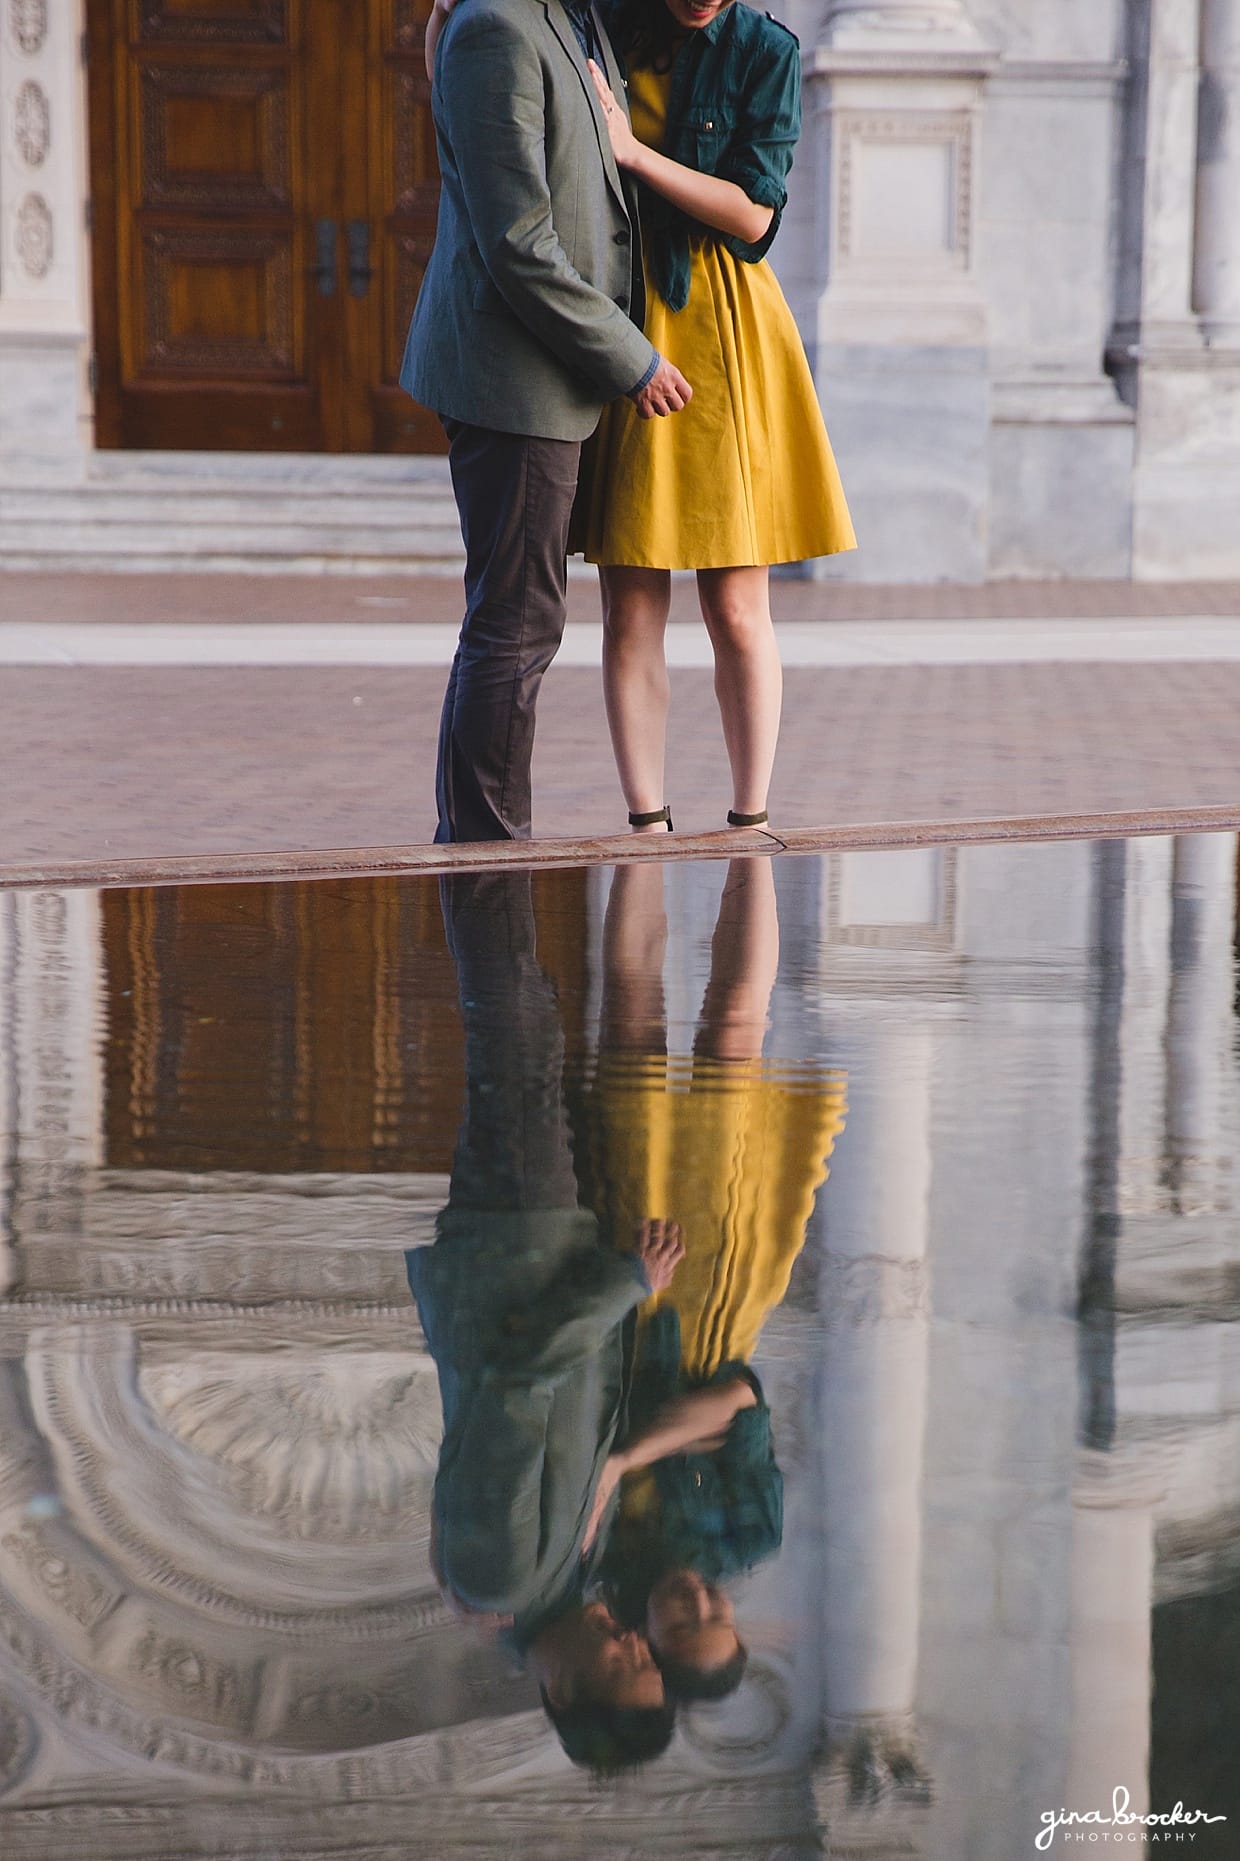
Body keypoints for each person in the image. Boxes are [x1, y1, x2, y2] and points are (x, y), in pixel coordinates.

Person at [407, 870, 683, 1769]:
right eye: (651, 1657)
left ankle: (484, 823)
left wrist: (626, 1283)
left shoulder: (501, 1578)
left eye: (625, 1664)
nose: (639, 1641)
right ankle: (487, 832)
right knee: (524, 1020)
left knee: (513, 1021)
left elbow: (517, 1382)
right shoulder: (551, 1583)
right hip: (537, 1244)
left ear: (563, 1688)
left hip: (515, 1244)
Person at [406, 0, 691, 843]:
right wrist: (630, 356)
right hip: (515, 377)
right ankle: (488, 854)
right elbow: (519, 242)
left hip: (551, 375)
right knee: (516, 623)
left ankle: (475, 843)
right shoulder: (497, 24)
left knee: (513, 618)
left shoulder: (568, 16)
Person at [574, 0, 857, 834]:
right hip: (628, 316)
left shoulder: (765, 49)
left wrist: (632, 154)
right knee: (630, 602)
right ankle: (647, 822)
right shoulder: (605, 26)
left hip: (727, 322)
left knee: (736, 604)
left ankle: (749, 818)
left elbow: (753, 215)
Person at [572, 856, 848, 1694]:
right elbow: (738, 1400)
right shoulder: (748, 1537)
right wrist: (626, 1459)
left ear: (647, 1642)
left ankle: (643, 831)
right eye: (718, 1613)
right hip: (717, 1288)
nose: (699, 1597)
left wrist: (680, 1432)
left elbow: (712, 1419)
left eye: (684, 1621)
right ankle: (750, 829)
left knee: (629, 1021)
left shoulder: (594, 1562)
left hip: (624, 1285)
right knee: (734, 1030)